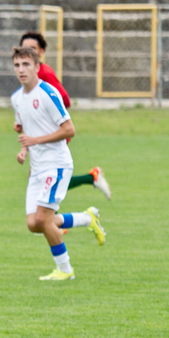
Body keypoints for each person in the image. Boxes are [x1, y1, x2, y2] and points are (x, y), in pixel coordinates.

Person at [11, 46, 106, 281]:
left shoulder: (47, 93)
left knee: (43, 219)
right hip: (36, 168)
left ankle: (65, 270)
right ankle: (87, 218)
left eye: (26, 65)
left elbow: (68, 129)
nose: (21, 70)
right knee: (34, 224)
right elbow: (26, 130)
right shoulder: (16, 98)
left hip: (57, 164)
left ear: (37, 67)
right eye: (17, 65)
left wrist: (35, 140)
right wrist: (24, 150)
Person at [17, 31, 112, 201]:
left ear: (41, 52)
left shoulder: (44, 73)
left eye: (32, 48)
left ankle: (52, 222)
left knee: (43, 179)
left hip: (52, 133)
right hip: (39, 134)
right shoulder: (27, 72)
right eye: (24, 48)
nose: (28, 51)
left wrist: (46, 119)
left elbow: (65, 99)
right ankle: (52, 220)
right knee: (41, 180)